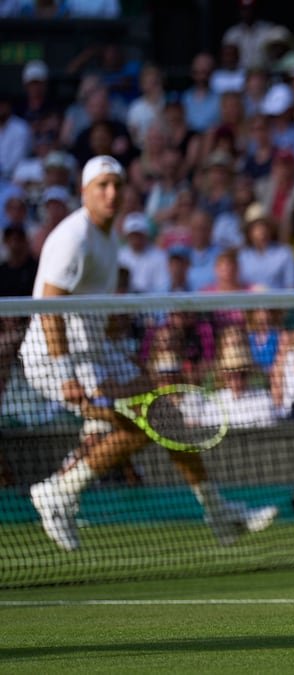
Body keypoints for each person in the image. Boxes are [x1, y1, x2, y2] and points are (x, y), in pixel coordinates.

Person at [23, 156, 277, 552]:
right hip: (54, 356)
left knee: (164, 413)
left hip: (95, 351)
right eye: (102, 185)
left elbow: (94, 310)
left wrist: (126, 358)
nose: (111, 193)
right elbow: (50, 307)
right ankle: (59, 491)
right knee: (145, 422)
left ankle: (218, 512)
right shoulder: (74, 237)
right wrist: (65, 374)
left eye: (117, 185)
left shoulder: (109, 237)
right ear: (84, 192)